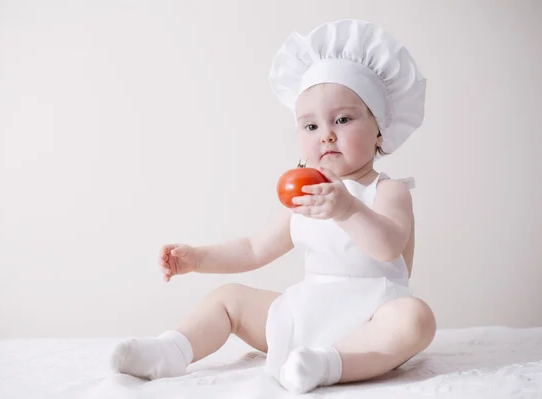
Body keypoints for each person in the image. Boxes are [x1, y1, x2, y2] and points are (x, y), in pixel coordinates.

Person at [110, 19, 436, 394]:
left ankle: (327, 364)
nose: (326, 133)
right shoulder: (305, 194)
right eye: (310, 126)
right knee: (229, 299)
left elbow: (388, 246)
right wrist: (198, 258)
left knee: (417, 319)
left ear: (379, 127)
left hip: (374, 319)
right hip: (308, 312)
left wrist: (348, 209)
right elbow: (253, 249)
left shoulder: (388, 190)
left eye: (343, 119)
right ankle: (171, 350)